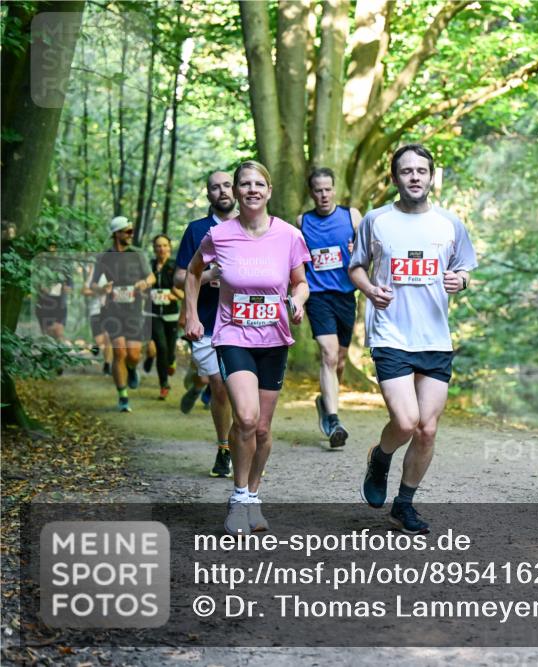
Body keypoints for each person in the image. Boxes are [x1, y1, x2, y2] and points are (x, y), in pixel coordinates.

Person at [350, 144, 477, 535]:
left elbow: (465, 269)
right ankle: (380, 457)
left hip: (435, 338)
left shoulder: (450, 224)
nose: (415, 177)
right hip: (391, 333)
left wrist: (461, 281)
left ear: (431, 177)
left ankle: (403, 505)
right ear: (395, 178)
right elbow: (356, 267)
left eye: (422, 170)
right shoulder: (376, 220)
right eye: (407, 171)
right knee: (406, 422)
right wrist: (370, 290)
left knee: (427, 429)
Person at [184, 160, 310, 536]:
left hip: (274, 339)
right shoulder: (219, 235)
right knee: (247, 418)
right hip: (233, 336)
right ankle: (238, 498)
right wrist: (192, 315)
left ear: (269, 191)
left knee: (264, 429)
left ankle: (253, 495)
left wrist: (297, 301)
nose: (252, 189)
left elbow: (300, 282)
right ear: (236, 191)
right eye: (245, 184)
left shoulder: (289, 235)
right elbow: (193, 272)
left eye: (259, 184)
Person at [175, 171, 236, 477]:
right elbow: (179, 276)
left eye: (227, 185)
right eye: (215, 187)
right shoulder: (197, 229)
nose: (222, 191)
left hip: (247, 322)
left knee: (243, 390)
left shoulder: (253, 227)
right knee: (220, 386)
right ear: (208, 194)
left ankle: (243, 445)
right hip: (209, 322)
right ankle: (224, 448)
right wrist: (209, 274)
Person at [297, 167, 362, 448]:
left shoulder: (352, 216)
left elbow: (371, 251)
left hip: (346, 296)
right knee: (329, 353)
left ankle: (325, 402)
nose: (323, 195)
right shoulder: (302, 222)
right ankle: (334, 420)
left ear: (334, 190)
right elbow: (295, 260)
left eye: (327, 189)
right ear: (311, 193)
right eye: (318, 190)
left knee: (340, 360)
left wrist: (358, 250)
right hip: (318, 296)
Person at [89, 216, 156, 412]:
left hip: (133, 311)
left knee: (133, 355)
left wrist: (144, 283)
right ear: (116, 233)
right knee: (119, 352)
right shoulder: (104, 257)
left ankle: (132, 369)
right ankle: (123, 396)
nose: (130, 234)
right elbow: (93, 284)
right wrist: (102, 289)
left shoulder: (138, 254)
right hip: (112, 311)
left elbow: (151, 276)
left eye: (131, 231)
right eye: (127, 231)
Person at [146, 234, 183, 399]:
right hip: (153, 313)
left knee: (169, 349)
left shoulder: (176, 266)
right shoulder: (149, 266)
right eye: (158, 246)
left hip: (171, 314)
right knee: (161, 347)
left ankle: (171, 360)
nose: (161, 249)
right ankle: (164, 384)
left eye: (164, 245)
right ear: (154, 249)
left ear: (169, 247)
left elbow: (186, 292)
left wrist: (175, 296)